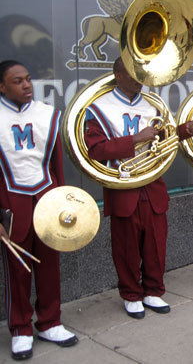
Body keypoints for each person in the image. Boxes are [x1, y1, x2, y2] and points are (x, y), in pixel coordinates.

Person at [84, 57, 193, 319]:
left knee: (156, 244)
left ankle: (154, 291)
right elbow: (95, 151)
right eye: (132, 73)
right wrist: (135, 139)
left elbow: (163, 137)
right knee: (126, 247)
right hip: (123, 186)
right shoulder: (98, 108)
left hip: (152, 185)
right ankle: (131, 294)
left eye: (141, 73)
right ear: (117, 75)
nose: (139, 78)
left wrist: (183, 131)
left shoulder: (151, 105)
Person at [0, 60, 78, 360]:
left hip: (46, 199)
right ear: (3, 87)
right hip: (11, 203)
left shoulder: (48, 114)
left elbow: (56, 164)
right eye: (17, 81)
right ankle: (20, 329)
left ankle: (50, 321)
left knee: (49, 264)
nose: (27, 85)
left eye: (29, 79)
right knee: (17, 270)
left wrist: (60, 200)